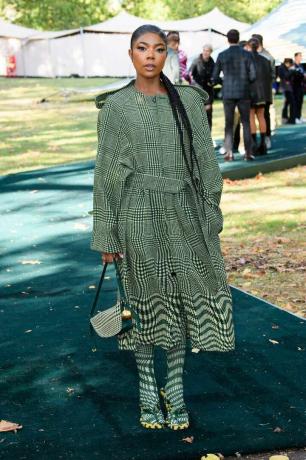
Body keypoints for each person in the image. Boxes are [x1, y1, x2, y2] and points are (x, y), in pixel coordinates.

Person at [91, 24, 235, 431]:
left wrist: (210, 212)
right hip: (136, 213)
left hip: (185, 214)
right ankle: (147, 391)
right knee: (143, 303)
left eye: (157, 49)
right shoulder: (117, 107)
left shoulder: (187, 101)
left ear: (166, 54)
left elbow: (207, 162)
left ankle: (174, 388)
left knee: (181, 301)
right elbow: (106, 174)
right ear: (131, 53)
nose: (150, 56)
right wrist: (107, 234)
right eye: (142, 48)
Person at [212, 29, 256, 161]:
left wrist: (224, 82)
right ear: (238, 38)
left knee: (229, 124)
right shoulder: (247, 55)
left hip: (228, 92)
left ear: (227, 39)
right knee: (246, 123)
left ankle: (229, 153)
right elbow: (253, 76)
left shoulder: (222, 55)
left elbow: (214, 77)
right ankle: (248, 153)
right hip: (244, 91)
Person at [246, 38, 273, 155]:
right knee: (261, 116)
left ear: (248, 46)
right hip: (264, 93)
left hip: (251, 93)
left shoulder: (246, 60)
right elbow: (270, 77)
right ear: (258, 47)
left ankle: (253, 144)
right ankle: (263, 143)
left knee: (251, 116)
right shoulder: (265, 60)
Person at [252, 34, 275, 149]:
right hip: (263, 91)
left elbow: (272, 74)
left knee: (264, 114)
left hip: (262, 91)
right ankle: (262, 139)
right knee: (263, 115)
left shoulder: (267, 57)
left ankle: (266, 138)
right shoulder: (267, 57)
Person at [189, 44, 215, 130]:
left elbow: (214, 75)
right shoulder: (196, 61)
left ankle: (208, 136)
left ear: (211, 52)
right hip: (197, 90)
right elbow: (189, 74)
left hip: (208, 92)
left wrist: (212, 82)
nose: (205, 52)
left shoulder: (212, 62)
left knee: (208, 115)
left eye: (208, 51)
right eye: (204, 50)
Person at [278, 58, 297, 124]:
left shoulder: (285, 68)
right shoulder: (281, 68)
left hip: (288, 88)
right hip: (285, 88)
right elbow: (285, 76)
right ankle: (286, 118)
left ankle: (290, 118)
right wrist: (291, 71)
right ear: (288, 63)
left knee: (289, 104)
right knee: (287, 104)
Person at [292, 52, 305, 123]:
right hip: (295, 87)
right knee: (296, 102)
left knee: (300, 102)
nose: (301, 58)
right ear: (296, 57)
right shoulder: (293, 65)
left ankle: (299, 116)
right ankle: (295, 117)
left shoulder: (301, 66)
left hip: (301, 86)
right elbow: (294, 75)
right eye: (299, 56)